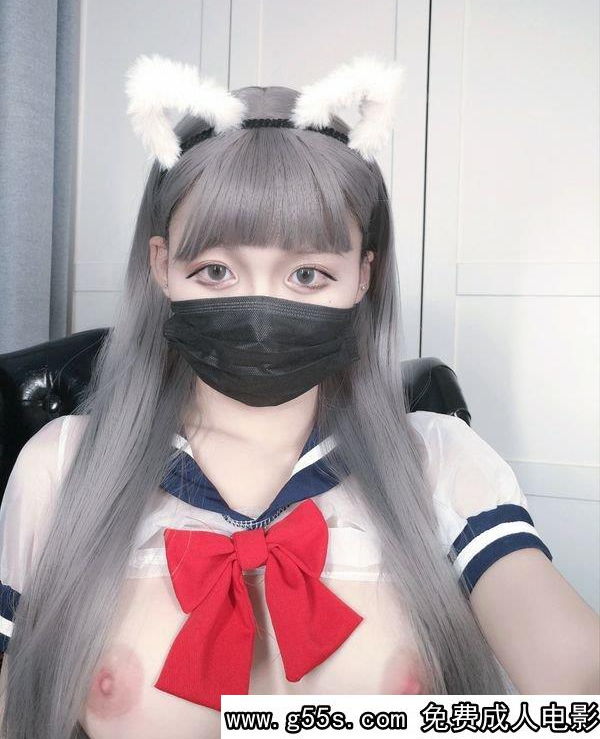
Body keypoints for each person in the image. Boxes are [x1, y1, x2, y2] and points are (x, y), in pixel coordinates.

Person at [0, 54, 598, 739]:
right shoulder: (62, 469)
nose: (261, 309)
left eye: (308, 274)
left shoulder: (440, 463)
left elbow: (579, 690)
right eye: (216, 270)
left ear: (364, 275)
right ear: (162, 266)